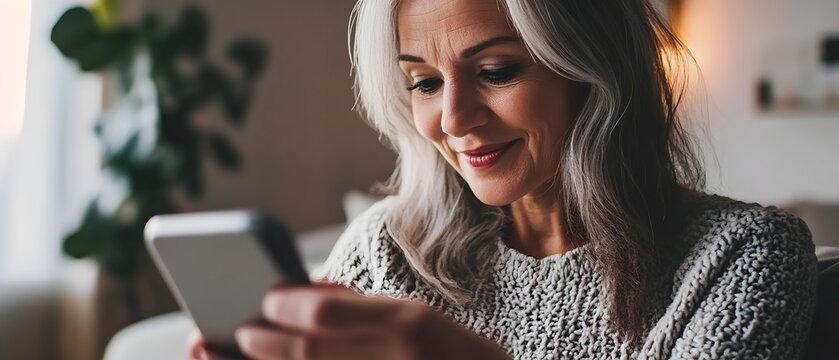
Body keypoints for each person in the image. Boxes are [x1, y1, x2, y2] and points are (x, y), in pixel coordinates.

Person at [192, 0, 817, 358]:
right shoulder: (384, 253)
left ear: (592, 72)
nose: (455, 119)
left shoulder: (744, 256)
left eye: (495, 71)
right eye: (426, 83)